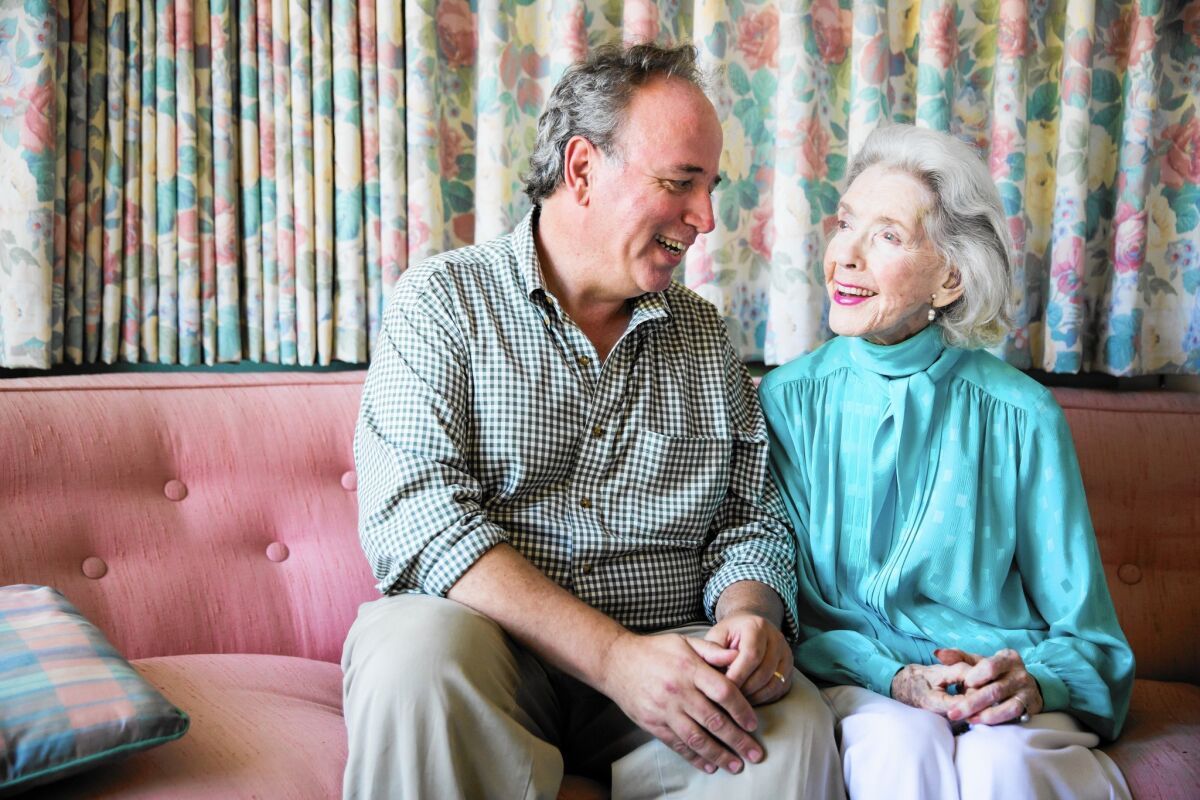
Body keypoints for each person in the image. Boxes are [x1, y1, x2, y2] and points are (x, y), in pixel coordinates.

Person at [343, 42, 842, 800]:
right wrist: (613, 659)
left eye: (710, 188)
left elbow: (750, 519)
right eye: (680, 183)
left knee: (790, 719)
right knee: (414, 652)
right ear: (582, 169)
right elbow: (417, 519)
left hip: (668, 648)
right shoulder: (443, 302)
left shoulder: (705, 338)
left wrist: (750, 616)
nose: (705, 218)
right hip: (490, 653)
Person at [759, 124, 1135, 799]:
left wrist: (1031, 681)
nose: (844, 254)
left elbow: (1092, 638)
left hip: (997, 682)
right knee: (898, 748)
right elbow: (791, 612)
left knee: (1004, 765)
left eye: (888, 236)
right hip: (863, 682)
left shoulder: (1024, 417)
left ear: (950, 277)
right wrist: (895, 678)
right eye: (846, 223)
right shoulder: (790, 402)